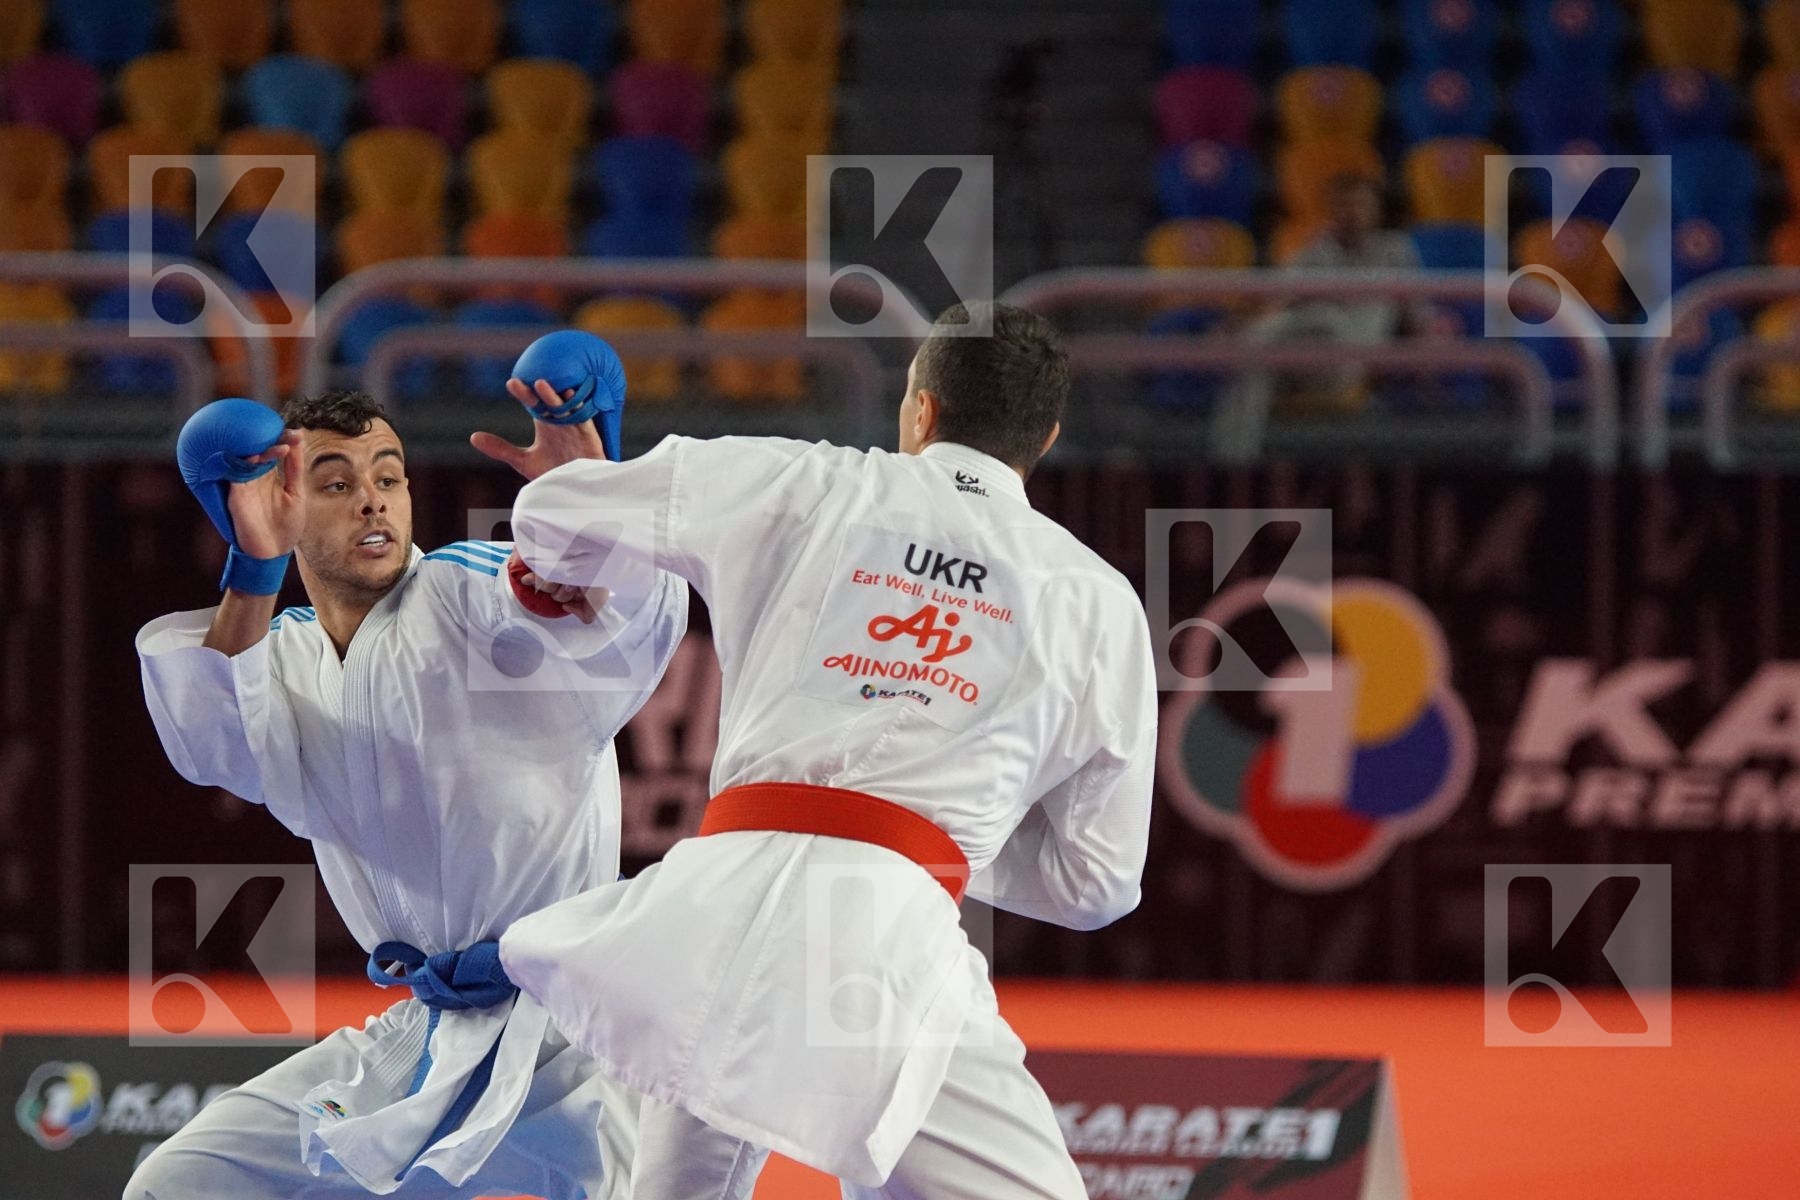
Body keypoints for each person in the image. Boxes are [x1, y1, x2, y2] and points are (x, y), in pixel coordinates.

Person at [481, 301, 1157, 1200]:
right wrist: (941, 843)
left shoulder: (797, 481)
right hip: (886, 937)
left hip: (709, 905)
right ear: (1047, 437)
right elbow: (1098, 883)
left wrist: (576, 491)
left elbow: (554, 516)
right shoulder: (1096, 599)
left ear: (921, 408)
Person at [127, 384, 756, 1200]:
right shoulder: (283, 659)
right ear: (283, 504)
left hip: (581, 1036)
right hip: (430, 1032)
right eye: (334, 483)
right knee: (180, 1184)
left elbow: (613, 628)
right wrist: (253, 564)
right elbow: (216, 746)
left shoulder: (472, 592)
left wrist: (599, 511)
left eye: (387, 478)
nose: (370, 503)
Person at [1211, 171, 1426, 462]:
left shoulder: (1395, 252)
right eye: (1345, 205)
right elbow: (1279, 300)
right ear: (1332, 210)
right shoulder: (1315, 252)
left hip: (1350, 363)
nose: (1353, 213)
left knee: (1319, 316)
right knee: (1254, 368)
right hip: (1304, 359)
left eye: (1361, 205)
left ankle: (1238, 343)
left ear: (1377, 210)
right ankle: (1232, 464)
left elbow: (1418, 318)